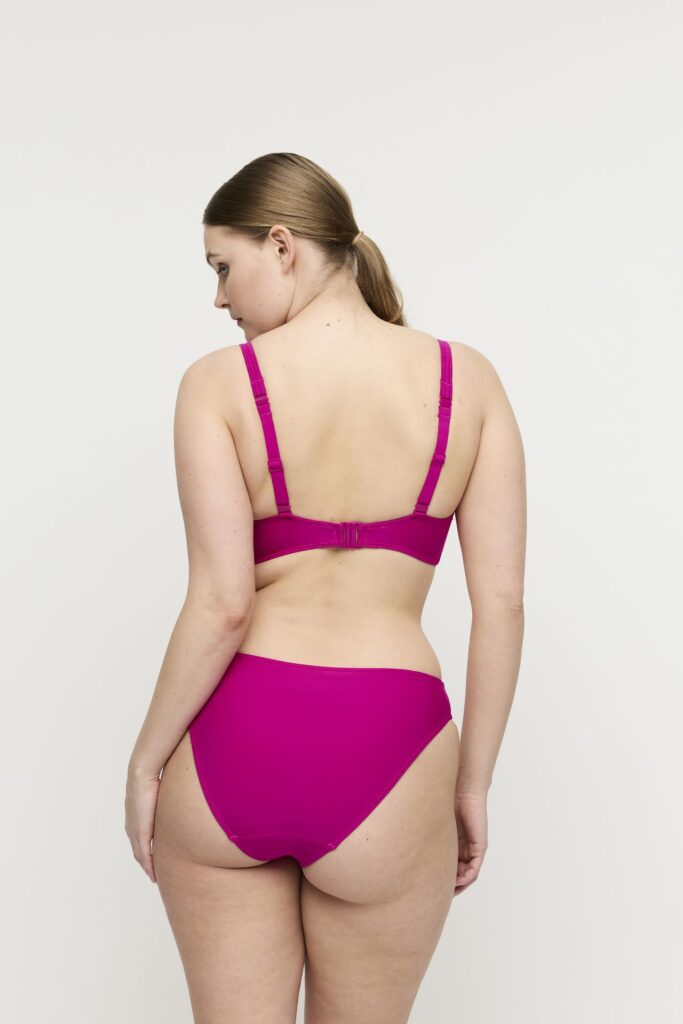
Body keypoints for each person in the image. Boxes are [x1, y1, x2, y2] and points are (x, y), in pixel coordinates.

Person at [125, 152, 526, 1023]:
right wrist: (470, 787)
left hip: (237, 741)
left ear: (281, 245)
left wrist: (147, 761)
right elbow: (500, 607)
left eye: (222, 267)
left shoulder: (217, 385)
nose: (219, 298)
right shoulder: (467, 381)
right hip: (392, 750)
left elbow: (223, 603)